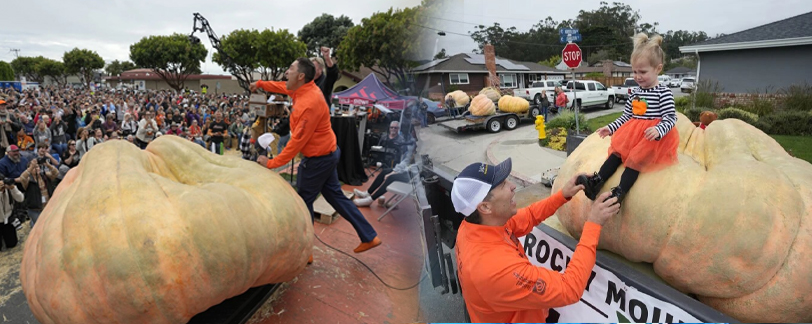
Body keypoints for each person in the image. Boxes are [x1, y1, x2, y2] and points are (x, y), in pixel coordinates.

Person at [450, 158, 620, 323]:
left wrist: (562, 195)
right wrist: (593, 225)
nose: (513, 186)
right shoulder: (494, 269)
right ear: (485, 207)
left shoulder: (475, 226)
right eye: (503, 185)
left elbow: (529, 216)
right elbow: (569, 289)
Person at [250, 58, 381, 260]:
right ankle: (369, 236)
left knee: (303, 202)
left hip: (319, 159)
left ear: (301, 76)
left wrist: (271, 163)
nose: (286, 72)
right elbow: (282, 86)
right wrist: (259, 84)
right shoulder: (303, 89)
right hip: (328, 153)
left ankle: (306, 252)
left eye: (290, 69)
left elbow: (296, 143)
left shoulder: (308, 104)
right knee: (335, 197)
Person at [577, 33, 678, 205]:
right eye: (635, 71)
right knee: (615, 155)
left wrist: (658, 130)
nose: (637, 76)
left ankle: (620, 192)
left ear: (658, 69)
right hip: (631, 135)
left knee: (634, 161)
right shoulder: (635, 92)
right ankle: (596, 182)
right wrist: (611, 128)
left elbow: (670, 118)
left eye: (643, 72)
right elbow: (627, 116)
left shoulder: (664, 92)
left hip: (650, 138)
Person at [353, 121, 412, 207]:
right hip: (404, 169)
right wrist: (395, 170)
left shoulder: (403, 141)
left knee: (391, 177)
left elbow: (409, 164)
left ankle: (370, 199)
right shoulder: (385, 136)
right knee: (385, 171)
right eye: (392, 127)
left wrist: (394, 172)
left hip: (411, 176)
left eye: (395, 128)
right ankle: (367, 193)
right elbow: (406, 161)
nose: (393, 129)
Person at [0, 178, 24, 251]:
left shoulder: (9, 190)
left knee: (12, 244)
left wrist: (13, 188)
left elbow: (21, 199)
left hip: (8, 219)